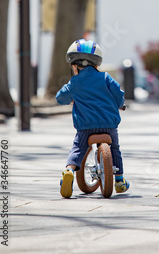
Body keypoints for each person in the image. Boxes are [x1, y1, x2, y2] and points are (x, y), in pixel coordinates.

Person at [56, 39, 129, 198]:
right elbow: (119, 94)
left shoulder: (74, 83)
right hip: (109, 125)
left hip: (85, 127)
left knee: (78, 148)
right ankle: (119, 180)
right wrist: (120, 104)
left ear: (74, 66)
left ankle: (69, 171)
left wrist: (71, 98)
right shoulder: (105, 78)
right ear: (96, 65)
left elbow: (60, 98)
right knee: (115, 149)